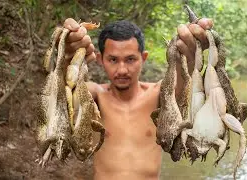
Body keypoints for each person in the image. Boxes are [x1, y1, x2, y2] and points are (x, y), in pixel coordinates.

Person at [62, 18, 213, 180]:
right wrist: (67, 57)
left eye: (130, 59)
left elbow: (180, 79)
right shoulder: (95, 97)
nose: (122, 69)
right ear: (100, 59)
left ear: (143, 58)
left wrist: (189, 55)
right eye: (113, 59)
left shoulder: (157, 95)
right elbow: (69, 89)